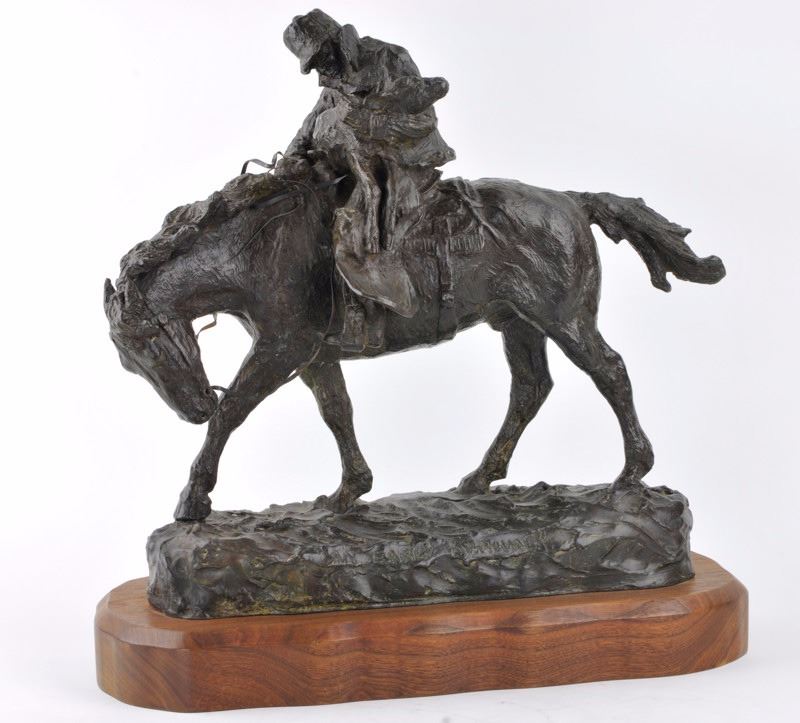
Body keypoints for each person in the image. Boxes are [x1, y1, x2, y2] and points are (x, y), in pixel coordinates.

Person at [276, 10, 455, 349]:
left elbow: (422, 118)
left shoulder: (388, 58)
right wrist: (292, 157)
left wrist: (364, 125)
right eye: (312, 64)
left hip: (400, 163)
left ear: (334, 43)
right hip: (357, 165)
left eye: (319, 57)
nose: (319, 69)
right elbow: (311, 125)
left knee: (354, 230)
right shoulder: (333, 82)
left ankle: (384, 303)